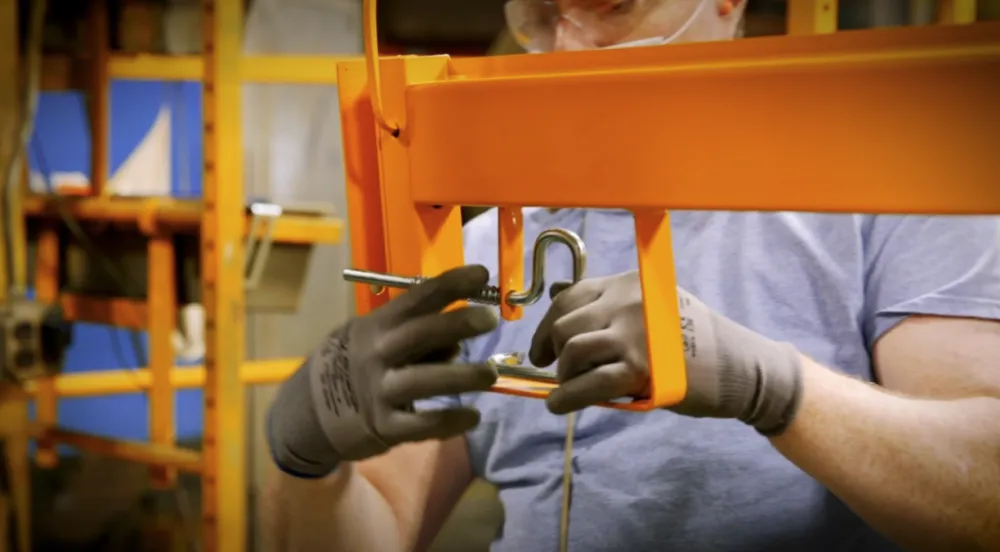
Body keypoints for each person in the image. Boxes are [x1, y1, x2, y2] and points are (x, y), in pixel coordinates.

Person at [264, 1, 1000, 551]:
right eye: (540, 16)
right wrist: (307, 460)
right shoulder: (482, 246)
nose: (567, 47)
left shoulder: (891, 196)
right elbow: (381, 528)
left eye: (610, 7)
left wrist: (774, 388)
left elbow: (984, 495)